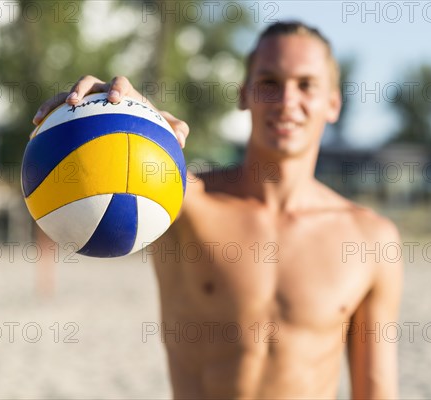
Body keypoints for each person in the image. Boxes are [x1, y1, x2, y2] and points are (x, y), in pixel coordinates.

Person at [34, 21, 403, 399]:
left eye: (306, 84)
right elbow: (121, 173)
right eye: (270, 82)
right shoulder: (185, 202)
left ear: (333, 103)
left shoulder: (370, 240)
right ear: (244, 94)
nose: (287, 100)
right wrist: (121, 115)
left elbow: (375, 391)